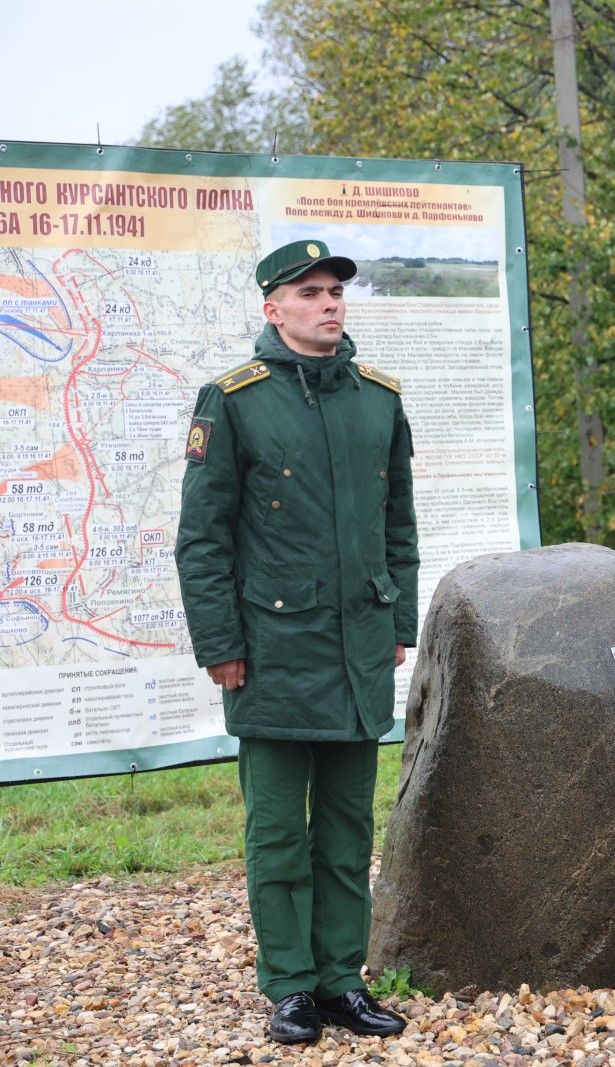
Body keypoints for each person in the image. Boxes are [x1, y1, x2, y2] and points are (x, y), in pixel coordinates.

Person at [176, 241, 418, 1044]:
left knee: (348, 829)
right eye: (310, 292)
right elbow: (202, 540)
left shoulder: (378, 398)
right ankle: (288, 984)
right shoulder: (235, 400)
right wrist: (220, 642)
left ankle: (341, 979)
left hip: (356, 650)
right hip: (272, 650)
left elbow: (399, 529)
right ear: (273, 308)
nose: (329, 303)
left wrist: (398, 624)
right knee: (278, 830)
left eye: (335, 292)